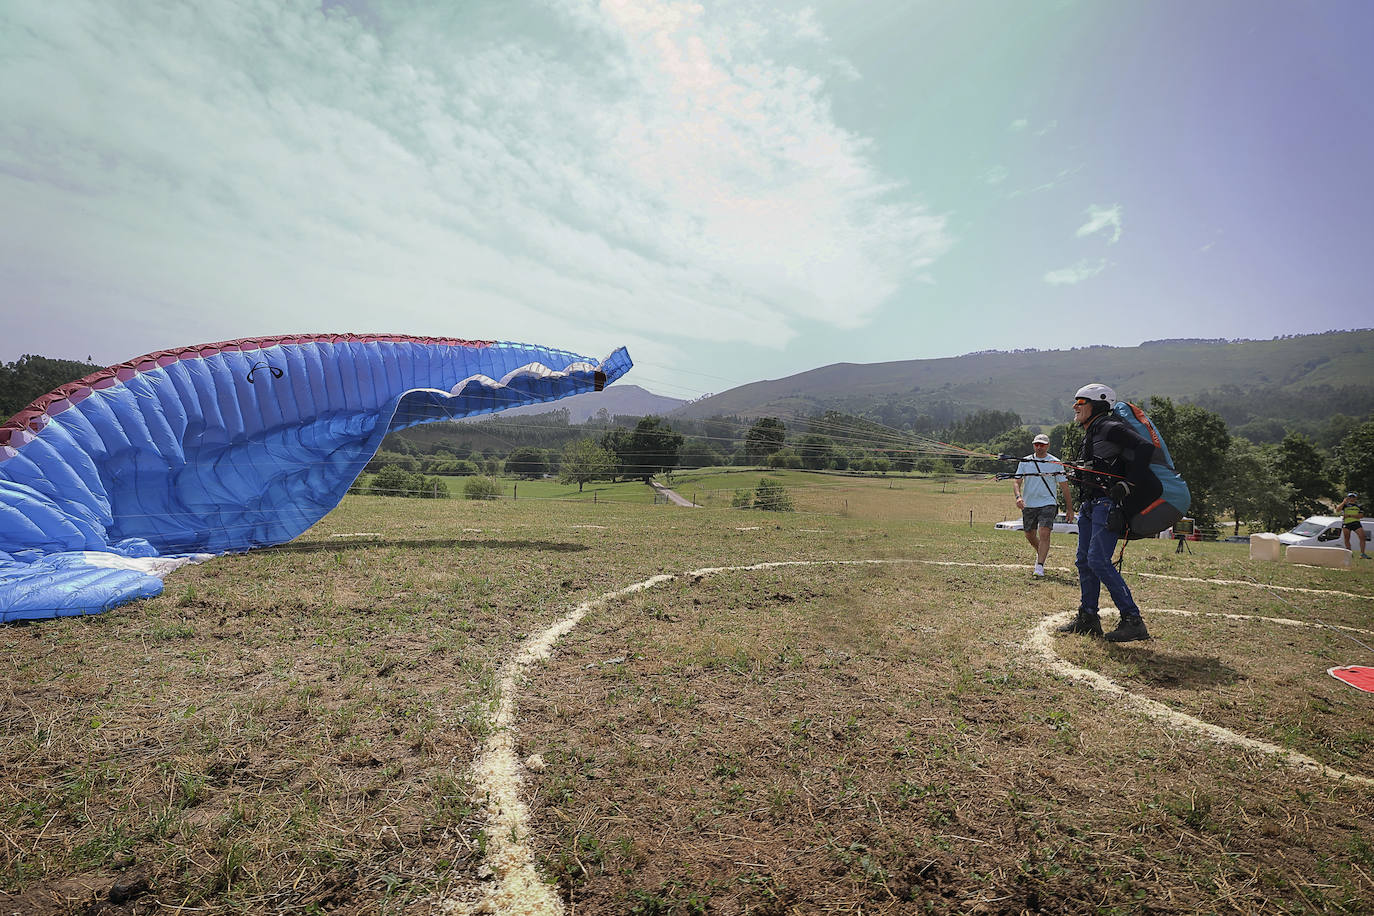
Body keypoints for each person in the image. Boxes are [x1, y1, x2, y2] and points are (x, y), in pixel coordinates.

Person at [1059, 383, 1155, 642]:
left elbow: (1145, 448)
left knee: (1098, 560)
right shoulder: (1091, 432)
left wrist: (1128, 483)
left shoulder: (1109, 427)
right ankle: (1088, 617)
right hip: (1090, 505)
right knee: (1084, 561)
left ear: (1098, 405)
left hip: (1107, 505)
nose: (1075, 407)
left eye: (1081, 403)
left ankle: (1133, 619)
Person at [1013, 433, 1074, 577]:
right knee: (1029, 534)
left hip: (1048, 502)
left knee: (1044, 532)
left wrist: (1070, 509)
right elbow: (1017, 481)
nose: (1039, 447)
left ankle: (1039, 566)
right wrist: (1018, 497)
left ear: (1048, 446)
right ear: (1033, 445)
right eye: (1037, 444)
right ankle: (1041, 552)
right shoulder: (1025, 461)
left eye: (1042, 445)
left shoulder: (1055, 463)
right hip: (1029, 504)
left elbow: (1064, 487)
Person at [1335, 492, 1370, 558]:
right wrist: (1343, 502)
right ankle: (1349, 553)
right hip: (1346, 523)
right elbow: (1337, 510)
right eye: (1350, 497)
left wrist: (1349, 515)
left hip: (1356, 523)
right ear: (1348, 498)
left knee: (1362, 537)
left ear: (1356, 498)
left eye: (1353, 497)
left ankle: (1362, 554)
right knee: (1347, 539)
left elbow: (1361, 515)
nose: (1351, 498)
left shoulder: (1359, 506)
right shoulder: (1345, 505)